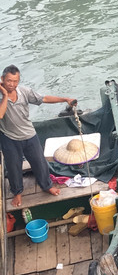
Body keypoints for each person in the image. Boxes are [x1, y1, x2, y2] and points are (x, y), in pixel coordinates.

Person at [0, 65, 77, 209]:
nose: (12, 84)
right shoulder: (1, 95)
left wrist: (65, 99)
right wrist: (4, 95)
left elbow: (44, 98)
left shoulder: (24, 92)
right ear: (2, 79)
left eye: (15, 81)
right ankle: (17, 192)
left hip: (29, 134)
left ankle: (46, 186)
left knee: (39, 162)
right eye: (9, 81)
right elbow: (0, 114)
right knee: (13, 167)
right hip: (10, 137)